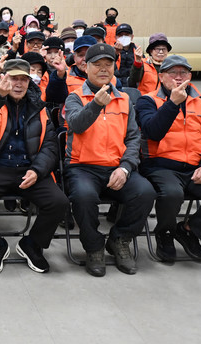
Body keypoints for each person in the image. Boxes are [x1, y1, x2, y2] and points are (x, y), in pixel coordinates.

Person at [0, 59, 67, 275]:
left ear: (29, 82)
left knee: (59, 203)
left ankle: (32, 244)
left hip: (29, 169)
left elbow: (50, 146)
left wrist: (37, 170)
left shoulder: (39, 106)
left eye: (23, 79)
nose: (18, 84)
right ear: (3, 78)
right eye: (13, 78)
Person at [64, 43, 155, 277]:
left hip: (117, 166)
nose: (103, 69)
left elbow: (133, 138)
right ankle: (94, 247)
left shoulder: (124, 99)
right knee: (83, 197)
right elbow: (76, 125)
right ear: (85, 67)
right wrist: (96, 104)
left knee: (145, 192)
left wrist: (125, 168)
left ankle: (119, 240)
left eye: (108, 64)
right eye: (97, 64)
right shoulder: (75, 97)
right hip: (83, 167)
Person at [135, 55, 201, 262]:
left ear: (190, 76)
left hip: (194, 167)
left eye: (184, 73)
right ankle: (165, 233)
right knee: (172, 194)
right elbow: (153, 132)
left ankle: (190, 230)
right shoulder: (147, 101)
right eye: (173, 73)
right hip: (160, 166)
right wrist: (172, 103)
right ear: (161, 76)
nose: (179, 77)